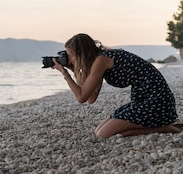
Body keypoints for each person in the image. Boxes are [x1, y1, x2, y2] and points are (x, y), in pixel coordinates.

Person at [52, 33, 180, 138]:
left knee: (103, 134)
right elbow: (91, 98)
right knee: (99, 131)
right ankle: (160, 127)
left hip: (156, 101)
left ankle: (164, 128)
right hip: (144, 100)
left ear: (81, 53)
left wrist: (64, 73)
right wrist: (74, 71)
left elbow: (81, 97)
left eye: (70, 55)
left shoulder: (101, 61)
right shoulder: (99, 60)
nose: (69, 59)